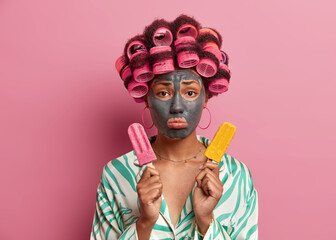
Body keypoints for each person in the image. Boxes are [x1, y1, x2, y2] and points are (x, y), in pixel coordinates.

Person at [90, 15, 258, 240]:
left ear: (206, 98)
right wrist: (144, 224)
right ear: (146, 98)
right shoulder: (116, 175)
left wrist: (206, 220)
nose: (177, 106)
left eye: (190, 92)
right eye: (163, 93)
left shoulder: (236, 176)